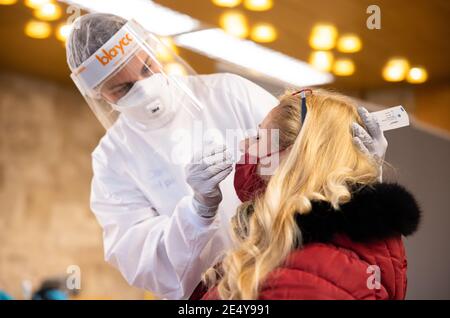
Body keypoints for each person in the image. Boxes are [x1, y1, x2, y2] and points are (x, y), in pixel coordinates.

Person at [66, 13, 388, 299]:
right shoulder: (112, 159)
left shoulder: (229, 93)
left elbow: (306, 158)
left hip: (286, 267)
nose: (143, 87)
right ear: (98, 94)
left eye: (147, 67)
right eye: (121, 88)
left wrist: (361, 173)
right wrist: (197, 212)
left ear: (153, 50)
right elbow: (145, 263)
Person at [203, 89, 420, 300]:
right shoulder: (349, 250)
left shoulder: (298, 275)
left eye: (259, 137)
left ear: (294, 156)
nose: (244, 145)